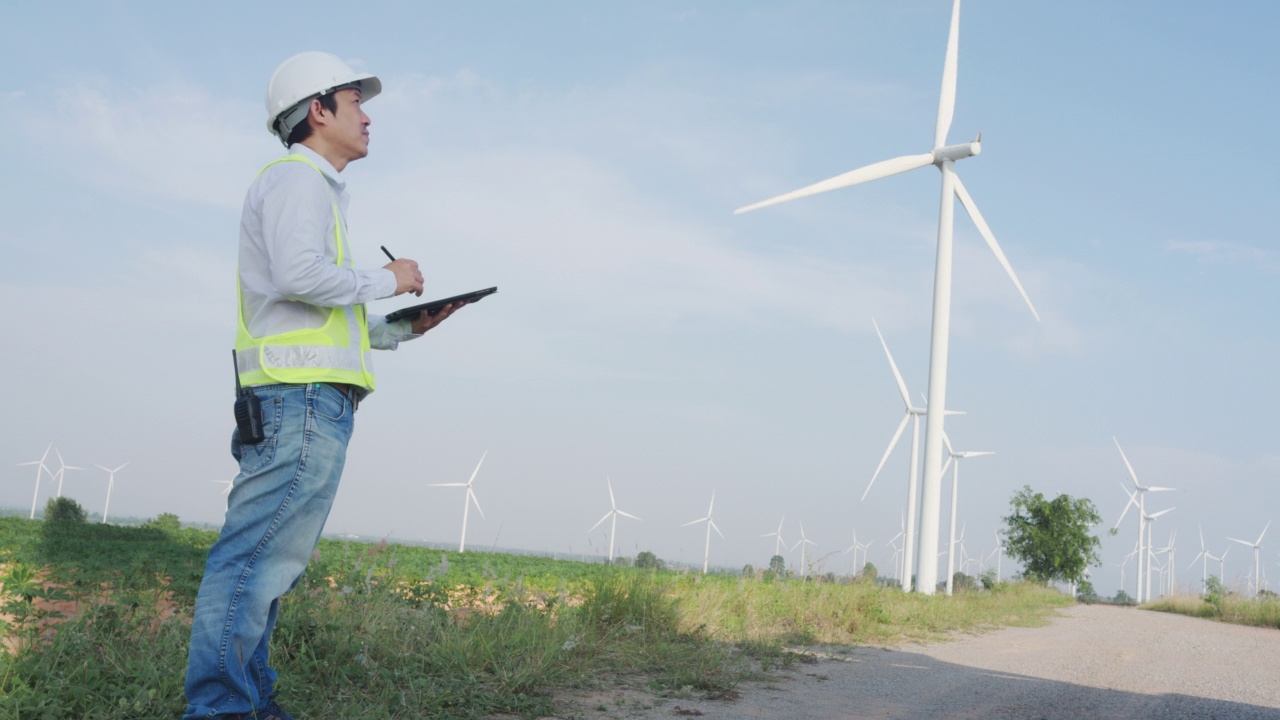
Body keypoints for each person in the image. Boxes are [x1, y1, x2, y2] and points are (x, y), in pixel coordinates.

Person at [183, 51, 462, 720]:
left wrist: (400, 327)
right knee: (251, 562)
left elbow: (315, 312)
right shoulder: (297, 180)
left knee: (267, 568)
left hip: (306, 397)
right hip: (297, 401)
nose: (366, 115)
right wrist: (389, 280)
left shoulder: (311, 190)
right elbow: (299, 277)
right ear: (318, 110)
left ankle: (250, 704)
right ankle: (222, 711)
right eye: (355, 101)